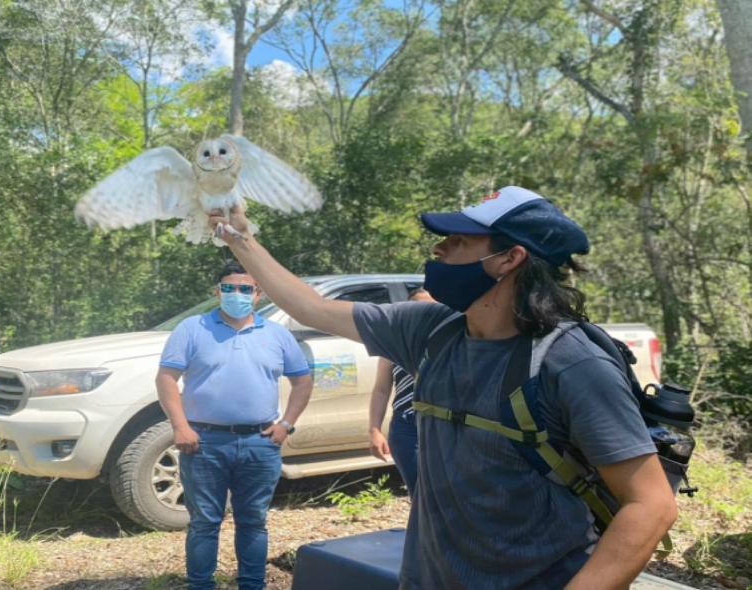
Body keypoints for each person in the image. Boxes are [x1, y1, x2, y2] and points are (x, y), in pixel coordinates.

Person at [209, 186, 676, 590]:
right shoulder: (430, 330)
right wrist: (240, 238)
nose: (439, 250)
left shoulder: (571, 361)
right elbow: (313, 308)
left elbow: (650, 505)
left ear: (509, 259)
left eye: (458, 240)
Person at [155, 260, 314, 590]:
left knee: (253, 522)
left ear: (258, 294)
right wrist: (180, 426)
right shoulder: (192, 328)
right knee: (204, 524)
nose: (237, 294)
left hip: (260, 442)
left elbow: (302, 380)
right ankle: (200, 585)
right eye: (229, 288)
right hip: (204, 442)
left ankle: (252, 585)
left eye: (246, 289)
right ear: (217, 292)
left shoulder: (276, 334)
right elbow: (166, 379)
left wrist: (286, 424)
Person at [368, 288, 433, 490]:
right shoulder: (393, 344)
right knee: (418, 491)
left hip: (442, 424)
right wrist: (375, 429)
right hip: (407, 425)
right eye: (418, 309)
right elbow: (381, 389)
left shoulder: (455, 340)